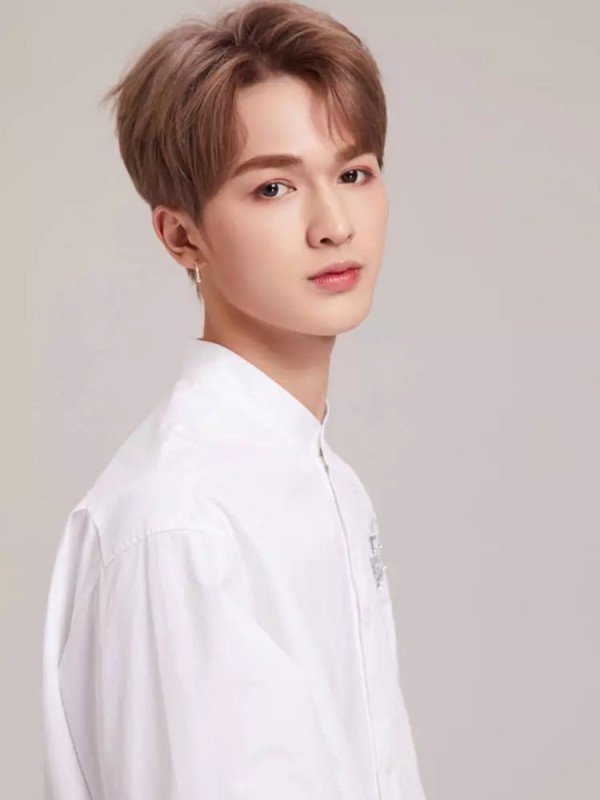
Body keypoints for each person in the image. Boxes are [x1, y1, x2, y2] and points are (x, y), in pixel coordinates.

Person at [42, 1, 427, 798]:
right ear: (182, 236)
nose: (334, 225)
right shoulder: (181, 527)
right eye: (274, 187)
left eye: (354, 174)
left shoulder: (326, 482)